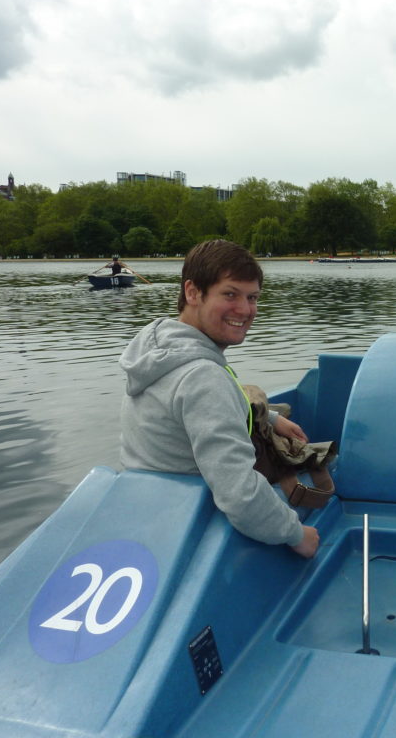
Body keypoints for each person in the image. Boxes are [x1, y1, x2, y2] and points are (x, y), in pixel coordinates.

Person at [119, 239, 320, 558]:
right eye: (230, 294)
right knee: (320, 493)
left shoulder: (159, 351)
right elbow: (240, 494)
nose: (245, 310)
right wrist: (297, 534)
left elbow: (186, 408)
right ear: (193, 292)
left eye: (252, 297)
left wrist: (268, 418)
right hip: (196, 520)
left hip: (150, 505)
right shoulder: (203, 377)